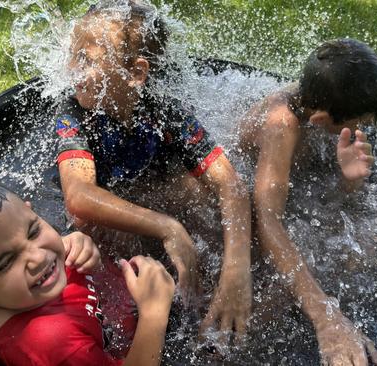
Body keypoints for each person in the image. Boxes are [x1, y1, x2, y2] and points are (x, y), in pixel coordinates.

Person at [55, 0, 251, 343]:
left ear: (136, 73)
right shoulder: (72, 111)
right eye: (71, 56)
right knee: (90, 224)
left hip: (151, 197)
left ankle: (207, 314)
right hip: (116, 215)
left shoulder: (164, 112)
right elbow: (79, 197)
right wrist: (167, 227)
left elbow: (231, 185)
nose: (71, 70)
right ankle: (123, 321)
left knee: (196, 193)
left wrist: (236, 269)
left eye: (85, 59)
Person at [236, 38, 377, 366]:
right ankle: (233, 349)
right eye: (359, 123)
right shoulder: (281, 124)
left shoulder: (319, 92)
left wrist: (350, 181)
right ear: (322, 121)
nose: (364, 129)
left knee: (360, 242)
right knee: (305, 264)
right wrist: (325, 316)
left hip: (287, 183)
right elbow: (266, 219)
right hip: (249, 196)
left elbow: (330, 202)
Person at [0, 178, 175, 366]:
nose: (38, 256)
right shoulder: (52, 344)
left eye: (34, 231)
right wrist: (154, 314)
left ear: (29, 209)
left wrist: (74, 240)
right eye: (6, 263)